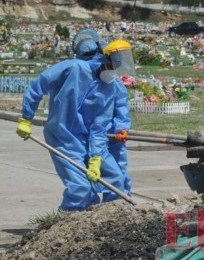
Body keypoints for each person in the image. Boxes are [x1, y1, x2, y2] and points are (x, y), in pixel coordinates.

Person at [16, 31, 135, 211]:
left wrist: (95, 159)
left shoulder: (108, 87)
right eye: (112, 66)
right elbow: (37, 86)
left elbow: (99, 126)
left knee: (117, 180)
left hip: (90, 139)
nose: (114, 72)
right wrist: (26, 118)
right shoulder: (71, 68)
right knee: (81, 188)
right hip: (62, 136)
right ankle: (64, 226)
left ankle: (110, 221)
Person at [73, 29, 133, 198]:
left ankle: (118, 206)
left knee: (118, 175)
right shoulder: (83, 77)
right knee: (89, 177)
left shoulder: (110, 80)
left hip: (111, 135)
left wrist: (121, 128)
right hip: (88, 135)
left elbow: (120, 104)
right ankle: (95, 211)